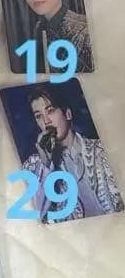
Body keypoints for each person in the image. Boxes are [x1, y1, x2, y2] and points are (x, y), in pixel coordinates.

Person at [19, 85, 123, 222]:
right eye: (38, 116)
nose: (46, 121)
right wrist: (46, 164)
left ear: (68, 114)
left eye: (50, 111)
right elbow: (36, 215)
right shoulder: (34, 167)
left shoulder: (102, 149)